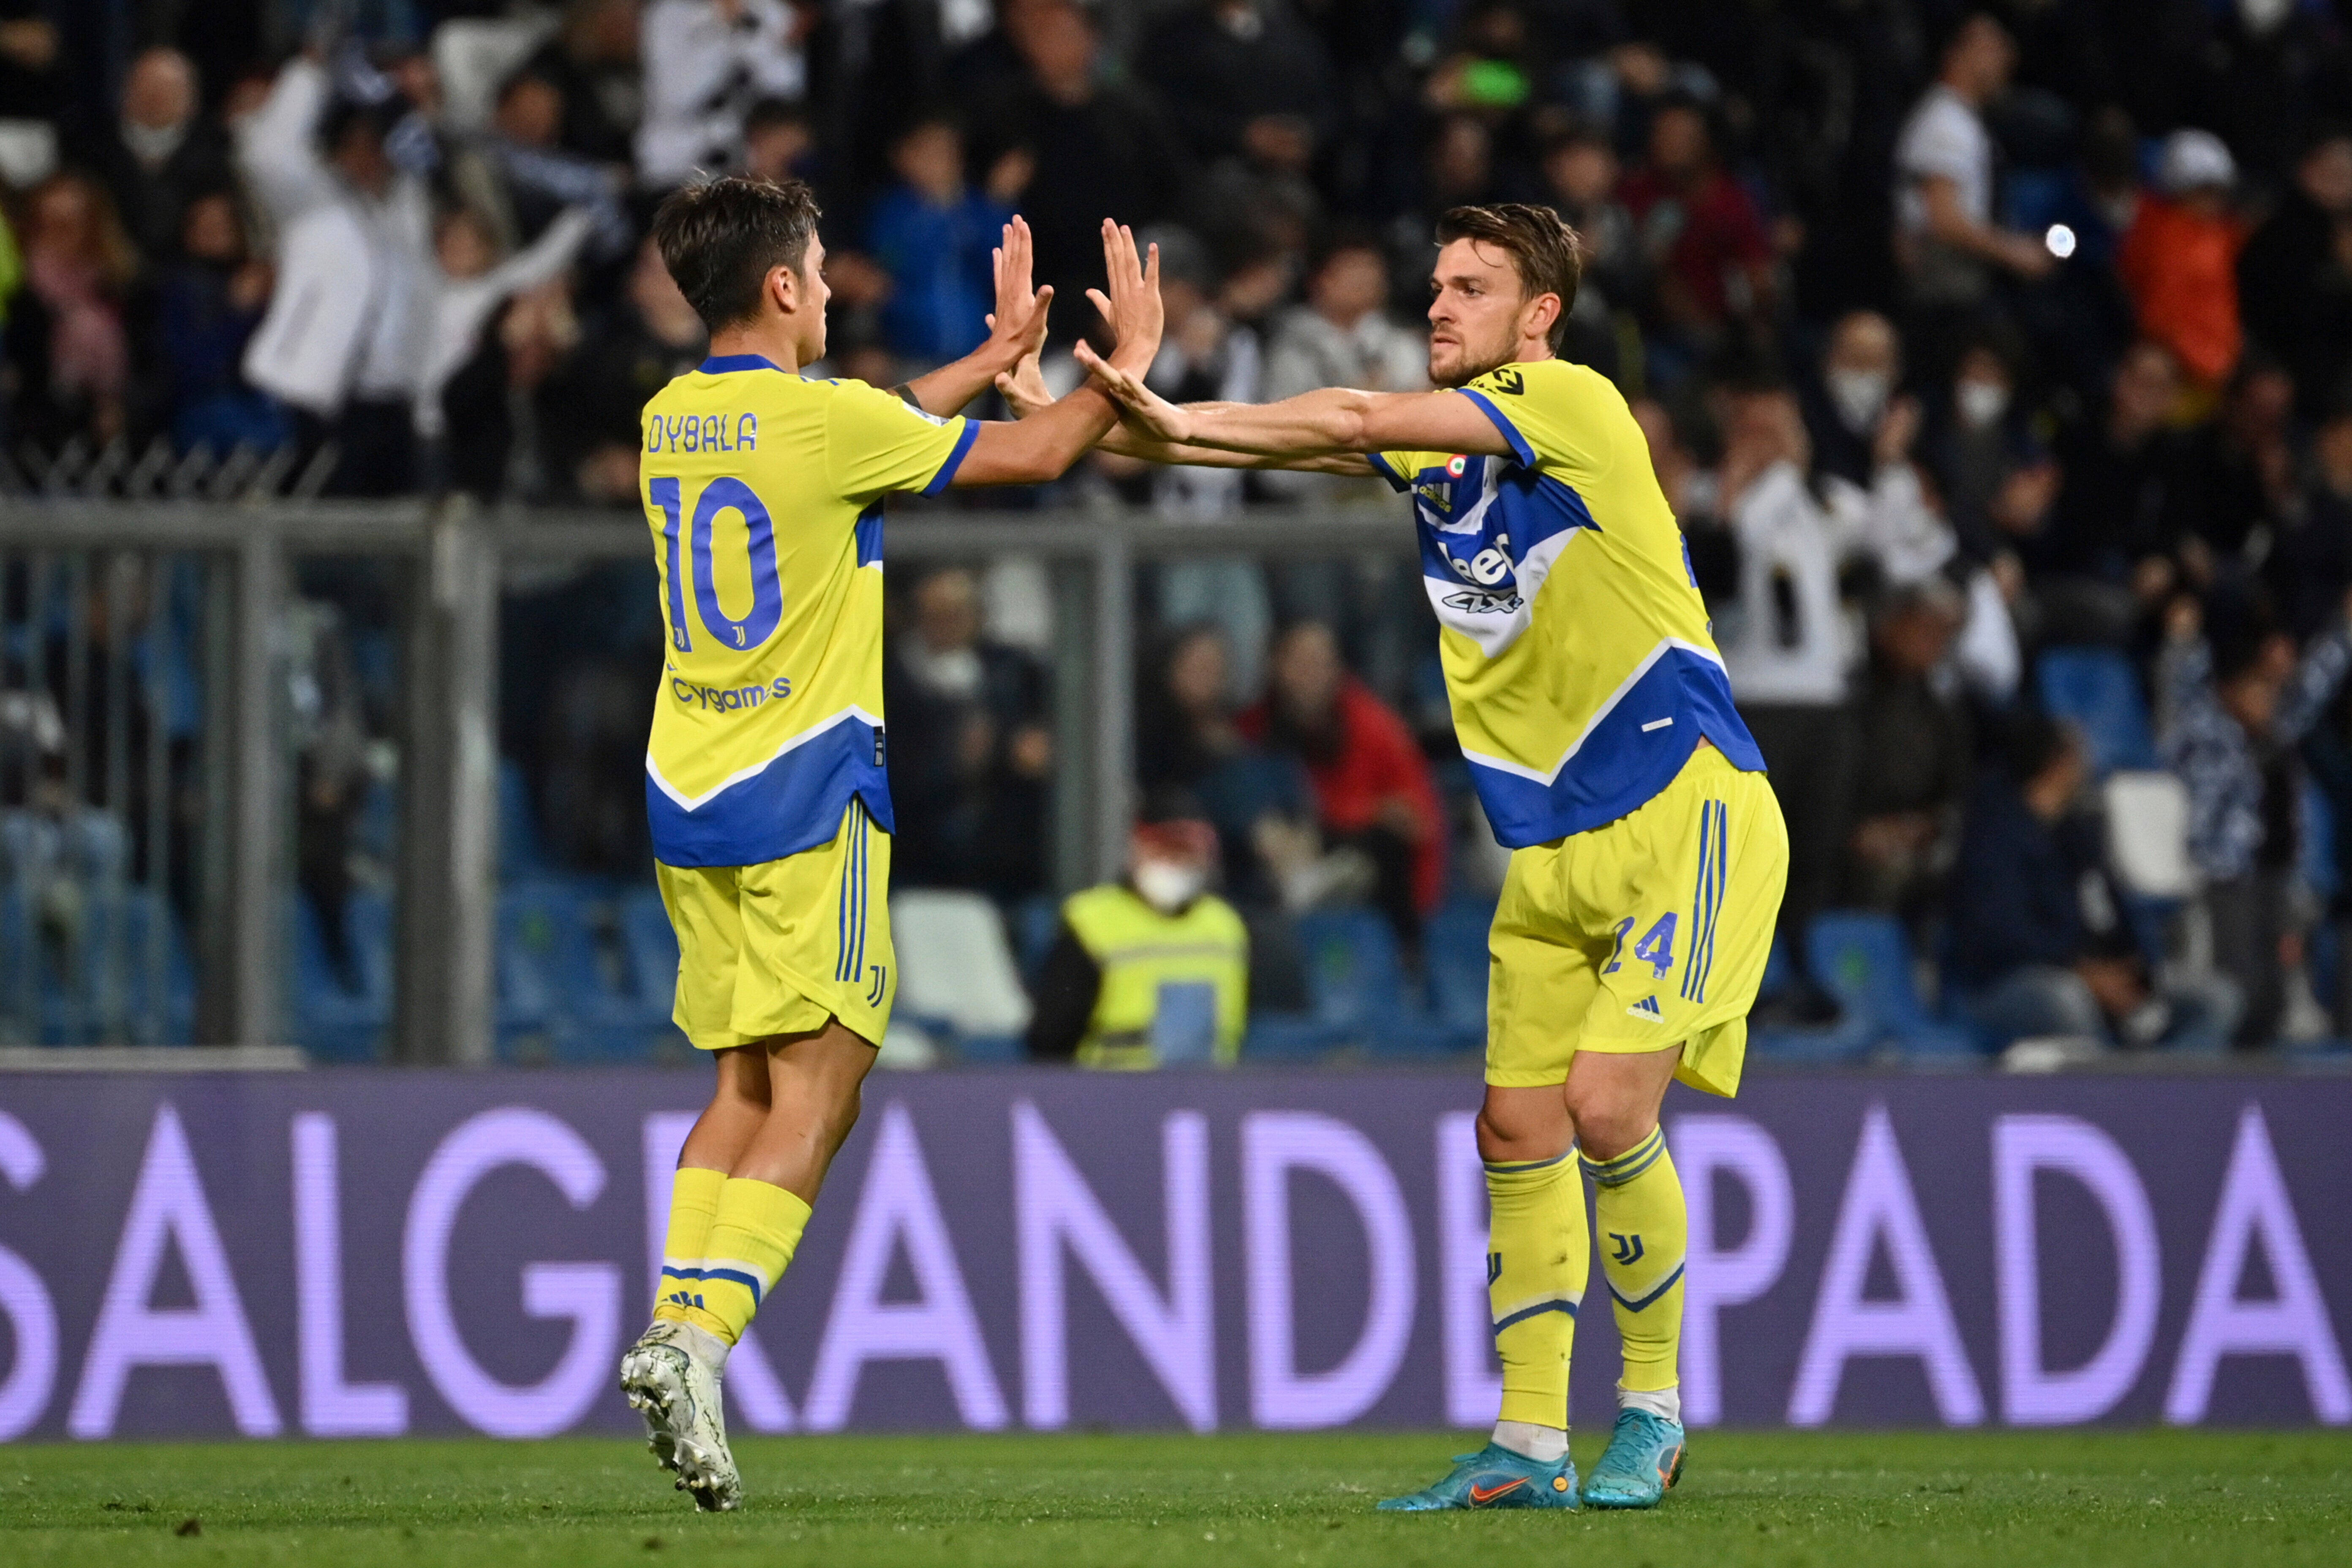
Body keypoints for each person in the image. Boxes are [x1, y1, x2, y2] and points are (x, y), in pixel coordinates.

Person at [1063, 201, 1787, 1511]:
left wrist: (1165, 413)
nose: (1439, 304)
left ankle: (1652, 1411)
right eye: (1435, 282)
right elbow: (1267, 448)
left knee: (1609, 1107)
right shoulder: (1439, 454)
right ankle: (1523, 1443)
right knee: (1513, 1124)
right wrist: (1124, 409)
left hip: (1686, 810)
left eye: (1471, 286)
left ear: (1539, 317)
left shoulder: (1573, 403)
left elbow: (1340, 419)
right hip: (1554, 848)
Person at [618, 180, 1162, 1514]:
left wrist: (979, 365)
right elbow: (1030, 461)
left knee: (744, 1083)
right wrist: (1121, 368)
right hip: (806, 795)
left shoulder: (670, 419)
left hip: (689, 796)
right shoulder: (829, 421)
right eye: (820, 269)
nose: (832, 287)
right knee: (829, 1077)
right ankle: (697, 1338)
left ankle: (669, 1328)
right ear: (790, 288)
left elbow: (849, 435)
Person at [1025, 803, 1250, 1067]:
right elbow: (1050, 1037)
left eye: (1187, 854)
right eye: (1164, 851)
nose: (1175, 863)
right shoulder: (1092, 922)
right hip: (1109, 1095)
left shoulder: (1226, 927)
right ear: (1137, 848)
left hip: (1208, 1096)